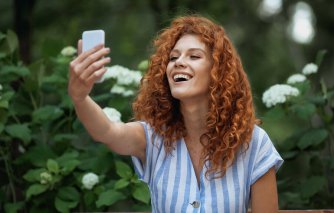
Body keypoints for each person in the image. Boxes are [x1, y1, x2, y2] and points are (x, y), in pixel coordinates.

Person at [68, 15, 283, 213]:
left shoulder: (254, 143)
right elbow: (107, 131)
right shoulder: (153, 138)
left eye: (194, 56)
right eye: (173, 57)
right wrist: (80, 97)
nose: (179, 62)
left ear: (218, 72)